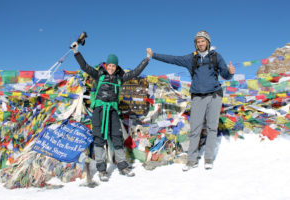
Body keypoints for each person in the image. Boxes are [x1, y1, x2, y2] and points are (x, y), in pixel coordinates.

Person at [147, 30, 235, 170]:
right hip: (198, 96)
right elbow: (173, 59)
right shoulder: (191, 59)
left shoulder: (216, 57)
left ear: (207, 42)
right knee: (195, 128)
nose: (200, 43)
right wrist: (154, 55)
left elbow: (225, 74)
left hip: (214, 96)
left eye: (203, 41)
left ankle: (208, 159)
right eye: (198, 41)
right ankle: (192, 160)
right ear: (196, 44)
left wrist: (230, 73)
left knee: (212, 128)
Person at [71, 41, 151, 181]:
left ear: (116, 66)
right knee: (99, 139)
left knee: (117, 138)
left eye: (114, 65)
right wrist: (76, 52)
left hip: (113, 111)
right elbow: (84, 66)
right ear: (106, 65)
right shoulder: (99, 75)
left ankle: (122, 166)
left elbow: (135, 72)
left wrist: (147, 59)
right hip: (99, 111)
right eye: (109, 65)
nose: (111, 68)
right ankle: (102, 170)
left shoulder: (120, 78)